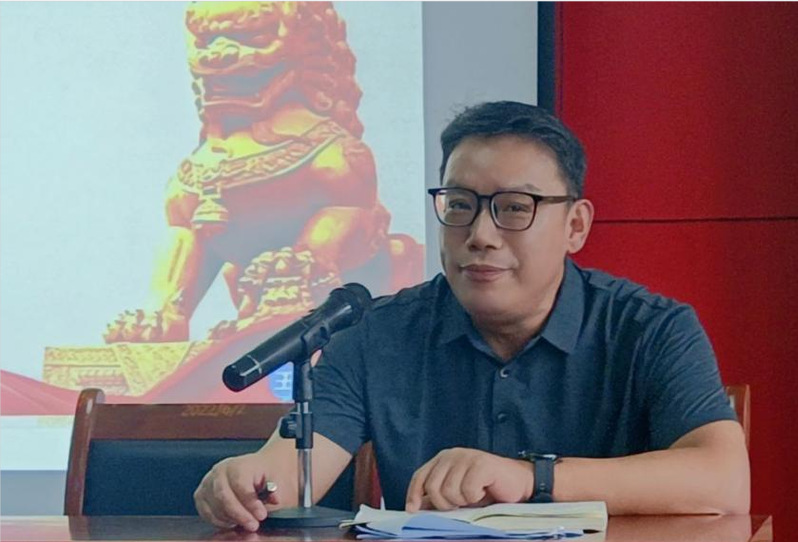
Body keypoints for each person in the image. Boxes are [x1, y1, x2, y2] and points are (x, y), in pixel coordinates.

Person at [194, 101, 750, 531]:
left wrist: (530, 478)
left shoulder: (650, 329)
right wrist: (244, 485)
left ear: (576, 226)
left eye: (514, 208)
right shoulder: (375, 334)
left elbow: (724, 481)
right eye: (460, 205)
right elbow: (287, 478)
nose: (480, 235)